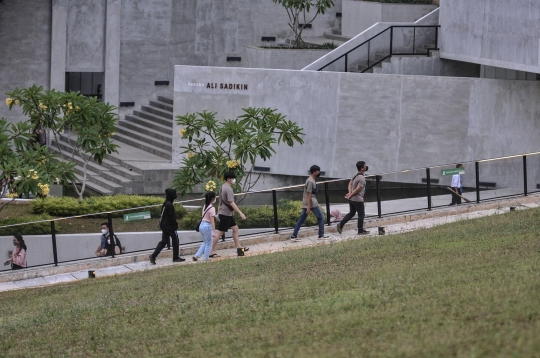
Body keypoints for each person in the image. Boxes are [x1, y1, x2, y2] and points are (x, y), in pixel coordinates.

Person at [209, 172, 248, 258]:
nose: (234, 180)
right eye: (232, 178)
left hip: (226, 214)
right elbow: (231, 202)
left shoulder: (223, 187)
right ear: (228, 179)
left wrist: (218, 213)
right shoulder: (228, 189)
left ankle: (239, 247)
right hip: (226, 214)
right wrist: (240, 213)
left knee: (235, 228)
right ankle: (211, 251)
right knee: (219, 233)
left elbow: (220, 201)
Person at [290, 165, 330, 241]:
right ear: (314, 172)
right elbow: (308, 194)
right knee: (321, 217)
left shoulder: (311, 180)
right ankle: (321, 235)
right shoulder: (311, 181)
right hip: (311, 203)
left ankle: (294, 236)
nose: (319, 172)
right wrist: (309, 207)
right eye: (317, 171)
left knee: (301, 219)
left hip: (308, 202)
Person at [149, 188, 185, 264]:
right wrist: (175, 225)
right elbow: (172, 217)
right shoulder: (170, 205)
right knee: (175, 241)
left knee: (164, 241)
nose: (176, 195)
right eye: (174, 194)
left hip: (165, 226)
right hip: (170, 227)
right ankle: (176, 257)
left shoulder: (166, 203)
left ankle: (153, 255)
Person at [337, 161, 370, 235]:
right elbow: (358, 189)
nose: (366, 167)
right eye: (365, 166)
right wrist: (351, 194)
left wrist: (350, 193)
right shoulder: (361, 178)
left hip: (352, 199)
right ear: (362, 168)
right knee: (361, 214)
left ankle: (341, 224)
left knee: (352, 212)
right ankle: (360, 230)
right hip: (358, 199)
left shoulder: (355, 174)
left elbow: (350, 183)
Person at [192, 192, 216, 262]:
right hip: (207, 226)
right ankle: (206, 259)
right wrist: (214, 231)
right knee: (208, 243)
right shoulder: (212, 208)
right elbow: (212, 220)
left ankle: (196, 256)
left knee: (205, 242)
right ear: (212, 199)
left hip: (202, 225)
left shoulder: (205, 206)